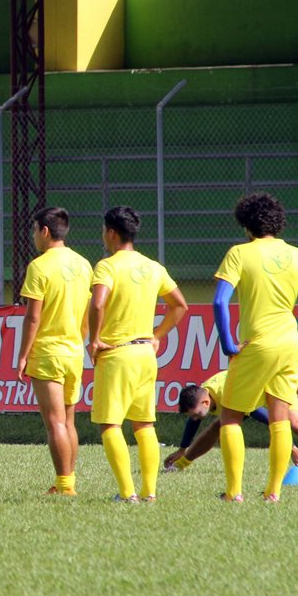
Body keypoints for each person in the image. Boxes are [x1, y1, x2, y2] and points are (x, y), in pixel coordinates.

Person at [212, 192, 298, 502]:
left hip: (257, 344)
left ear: (246, 225)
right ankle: (273, 493)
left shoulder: (240, 253)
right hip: (288, 345)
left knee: (230, 417)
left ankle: (234, 493)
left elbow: (219, 300)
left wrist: (228, 342)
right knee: (280, 418)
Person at [88, 206, 188, 503]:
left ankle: (126, 492)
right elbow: (180, 305)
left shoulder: (107, 266)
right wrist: (157, 335)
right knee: (144, 424)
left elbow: (97, 305)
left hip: (117, 353)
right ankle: (149, 491)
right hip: (145, 353)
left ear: (111, 233)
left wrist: (94, 340)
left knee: (110, 425)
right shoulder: (153, 267)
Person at [15, 207, 92, 497]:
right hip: (74, 351)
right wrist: (80, 339)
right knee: (69, 421)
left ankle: (64, 486)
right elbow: (88, 311)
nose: (34, 236)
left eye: (35, 230)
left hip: (48, 352)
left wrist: (23, 355)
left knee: (55, 423)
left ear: (45, 231)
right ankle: (68, 482)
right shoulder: (84, 264)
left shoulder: (39, 266)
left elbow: (33, 317)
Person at [167, 372, 298, 475]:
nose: (195, 418)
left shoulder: (226, 394)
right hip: (251, 393)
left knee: (296, 424)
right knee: (217, 427)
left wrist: (292, 448)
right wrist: (182, 449)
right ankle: (181, 464)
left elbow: (268, 419)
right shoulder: (204, 394)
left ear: (205, 402)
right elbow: (192, 422)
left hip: (274, 385)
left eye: (196, 414)